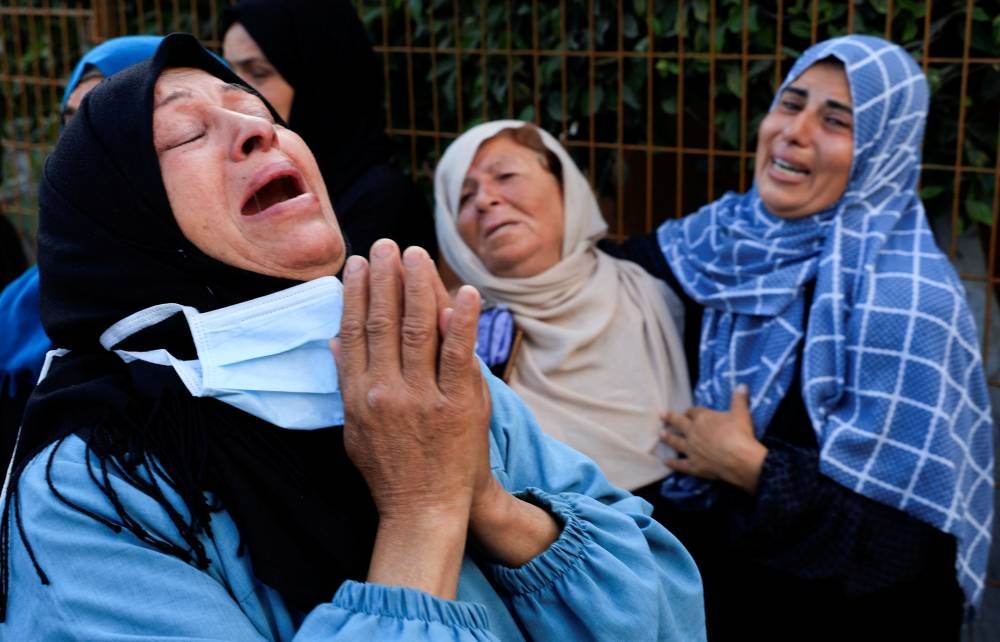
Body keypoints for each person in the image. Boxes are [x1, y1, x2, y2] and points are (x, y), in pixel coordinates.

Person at [0, 33, 706, 640]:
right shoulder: (94, 491)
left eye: (255, 107)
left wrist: (488, 501)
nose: (257, 130)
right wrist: (423, 511)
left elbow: (671, 612)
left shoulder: (420, 371)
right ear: (124, 218)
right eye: (184, 132)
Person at [603, 35, 994, 640]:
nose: (795, 131)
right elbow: (599, 271)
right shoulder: (717, 242)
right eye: (791, 103)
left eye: (836, 121)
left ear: (882, 151)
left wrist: (752, 467)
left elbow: (908, 550)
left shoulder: (909, 301)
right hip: (704, 607)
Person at [432, 121, 691, 498]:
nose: (485, 200)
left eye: (505, 175)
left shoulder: (654, 296)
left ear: (564, 186)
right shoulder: (456, 338)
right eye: (464, 196)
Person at [0, 35, 164, 462]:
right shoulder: (29, 296)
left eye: (103, 122)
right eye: (71, 124)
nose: (79, 149)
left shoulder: (242, 292)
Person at [219, 0, 438, 262]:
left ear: (318, 77)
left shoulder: (381, 203)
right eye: (227, 72)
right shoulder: (241, 178)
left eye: (258, 72)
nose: (237, 91)